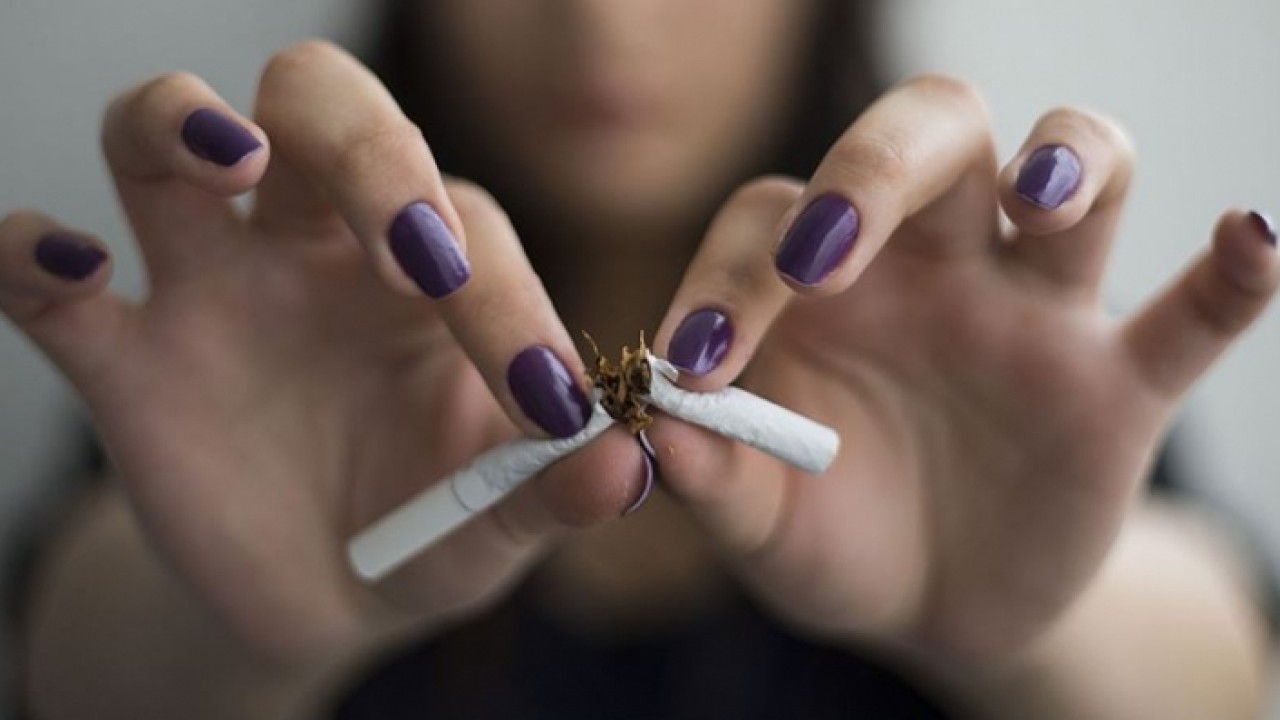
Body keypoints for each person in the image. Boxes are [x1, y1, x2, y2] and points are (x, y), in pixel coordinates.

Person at [1, 0, 1275, 718]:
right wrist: (239, 629)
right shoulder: (263, 337)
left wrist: (1034, 633)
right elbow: (74, 666)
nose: (603, 22)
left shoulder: (987, 352)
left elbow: (1221, 672)